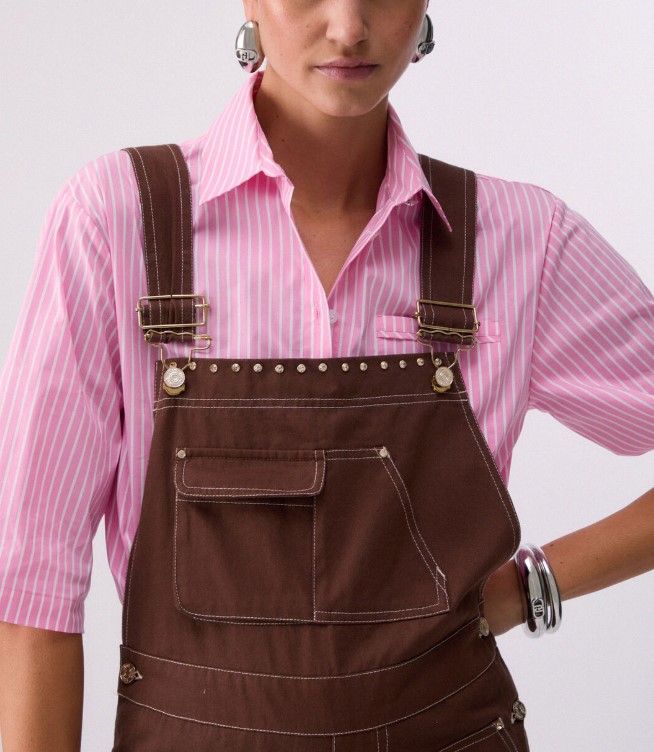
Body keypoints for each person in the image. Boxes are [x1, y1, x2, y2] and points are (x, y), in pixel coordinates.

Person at [0, 1, 653, 750]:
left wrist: (533, 583)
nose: (348, 27)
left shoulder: (520, 240)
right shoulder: (119, 220)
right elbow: (32, 595)